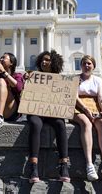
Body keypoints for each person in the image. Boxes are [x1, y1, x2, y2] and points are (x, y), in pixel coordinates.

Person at [26, 50, 70, 183]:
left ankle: (64, 165)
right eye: (42, 60)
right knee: (35, 124)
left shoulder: (60, 79)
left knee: (60, 124)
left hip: (52, 112)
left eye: (47, 60)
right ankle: (33, 166)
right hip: (36, 111)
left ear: (54, 62)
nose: (44, 62)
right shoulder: (32, 76)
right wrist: (26, 83)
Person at [73, 55, 102, 181]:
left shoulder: (98, 80)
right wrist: (86, 109)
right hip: (79, 105)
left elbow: (101, 96)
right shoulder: (75, 79)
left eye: (89, 63)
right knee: (86, 124)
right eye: (84, 63)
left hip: (95, 104)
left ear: (93, 66)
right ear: (81, 66)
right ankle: (89, 164)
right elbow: (75, 97)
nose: (87, 66)